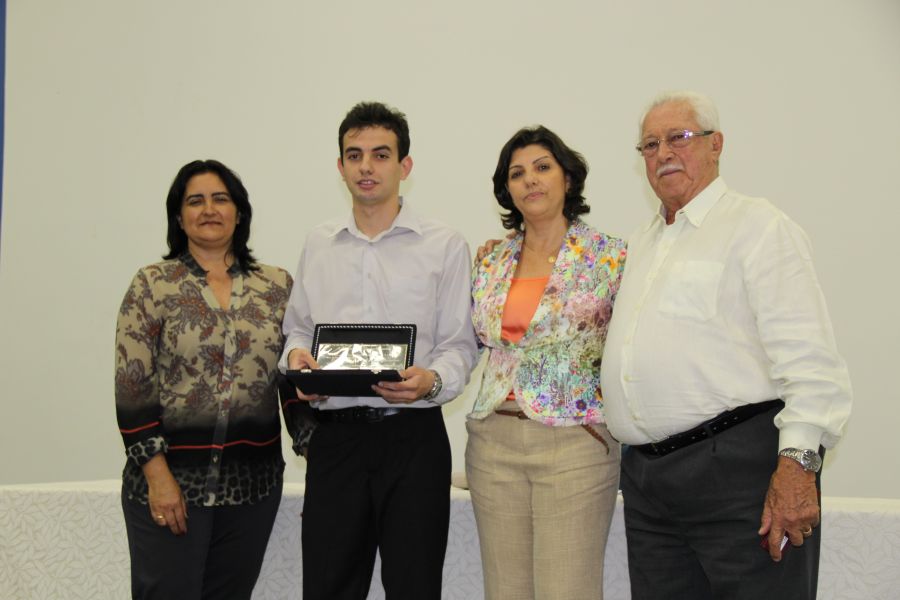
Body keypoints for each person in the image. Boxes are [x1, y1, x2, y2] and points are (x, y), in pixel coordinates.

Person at [600, 91, 853, 599]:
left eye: (678, 137)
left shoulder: (757, 227)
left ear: (716, 145)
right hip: (648, 486)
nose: (663, 153)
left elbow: (811, 362)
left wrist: (798, 468)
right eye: (650, 144)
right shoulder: (641, 243)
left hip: (737, 474)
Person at [279, 101, 479, 600]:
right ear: (340, 166)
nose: (366, 166)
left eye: (381, 154)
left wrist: (432, 382)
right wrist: (298, 360)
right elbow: (297, 330)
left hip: (413, 440)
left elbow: (459, 343)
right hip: (335, 441)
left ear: (404, 166)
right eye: (355, 155)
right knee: (327, 587)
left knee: (414, 588)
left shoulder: (445, 244)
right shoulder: (319, 244)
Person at [115, 159, 294, 599]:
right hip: (172, 484)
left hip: (253, 489)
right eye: (195, 201)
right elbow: (133, 389)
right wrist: (158, 478)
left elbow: (292, 382)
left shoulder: (276, 286)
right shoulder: (153, 285)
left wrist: (323, 462)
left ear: (239, 212)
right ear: (179, 217)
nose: (209, 209)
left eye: (220, 199)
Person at [467, 125, 627, 599]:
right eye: (517, 173)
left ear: (568, 179)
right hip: (493, 443)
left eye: (542, 167)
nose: (530, 180)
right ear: (507, 189)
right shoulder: (490, 260)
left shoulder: (612, 257)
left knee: (567, 590)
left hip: (575, 445)